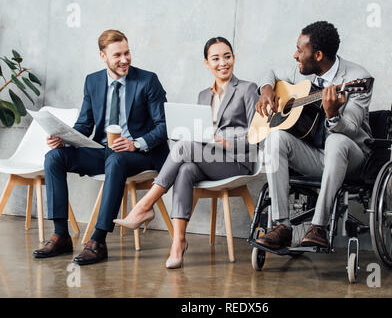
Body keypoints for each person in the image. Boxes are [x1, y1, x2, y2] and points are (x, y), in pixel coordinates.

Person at [114, 37, 259, 269]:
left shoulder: (248, 89)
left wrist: (225, 141)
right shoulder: (203, 95)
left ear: (234, 58)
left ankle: (144, 206)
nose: (223, 63)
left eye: (227, 56)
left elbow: (257, 135)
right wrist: (190, 133)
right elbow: (200, 133)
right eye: (216, 58)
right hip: (207, 158)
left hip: (239, 160)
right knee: (185, 168)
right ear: (206, 63)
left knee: (184, 148)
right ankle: (178, 242)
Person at [33, 29, 170, 265]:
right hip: (103, 149)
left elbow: (165, 125)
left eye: (127, 53)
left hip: (140, 154)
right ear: (102, 56)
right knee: (54, 156)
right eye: (117, 55)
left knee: (115, 160)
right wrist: (63, 138)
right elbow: (85, 124)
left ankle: (98, 241)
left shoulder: (148, 80)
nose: (125, 59)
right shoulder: (93, 81)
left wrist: (135, 143)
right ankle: (60, 235)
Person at [255, 21, 373, 249]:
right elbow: (269, 72)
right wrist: (267, 89)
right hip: (316, 156)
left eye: (300, 51)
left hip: (352, 159)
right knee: (275, 137)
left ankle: (318, 226)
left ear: (318, 55)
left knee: (337, 141)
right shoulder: (302, 73)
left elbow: (352, 126)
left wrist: (333, 116)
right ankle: (282, 226)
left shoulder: (357, 78)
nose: (295, 55)